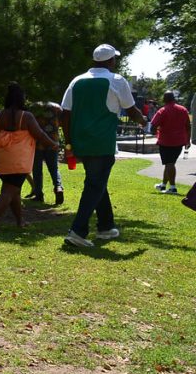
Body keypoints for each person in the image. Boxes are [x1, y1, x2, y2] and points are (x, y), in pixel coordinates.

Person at [60, 43, 146, 248]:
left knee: (97, 182)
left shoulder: (77, 81)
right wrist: (143, 121)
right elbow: (131, 110)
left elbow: (65, 114)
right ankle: (78, 231)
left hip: (81, 142)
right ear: (111, 61)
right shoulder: (116, 80)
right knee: (94, 185)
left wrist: (69, 142)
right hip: (101, 143)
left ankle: (106, 227)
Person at [0, 84, 58, 231]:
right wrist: (53, 144)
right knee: (8, 191)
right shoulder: (26, 116)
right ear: (21, 99)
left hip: (0, 158)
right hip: (18, 160)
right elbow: (40, 134)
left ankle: (20, 221)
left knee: (14, 190)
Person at [149, 91, 191, 194]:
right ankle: (163, 185)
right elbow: (188, 126)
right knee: (169, 163)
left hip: (166, 141)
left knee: (169, 163)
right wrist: (188, 140)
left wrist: (154, 132)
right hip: (179, 141)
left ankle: (172, 187)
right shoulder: (183, 110)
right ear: (174, 99)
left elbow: (153, 125)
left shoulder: (162, 110)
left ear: (164, 99)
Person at [24, 101, 64, 205]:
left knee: (37, 169)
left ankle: (39, 195)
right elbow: (62, 123)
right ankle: (58, 187)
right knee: (54, 168)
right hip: (53, 142)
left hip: (38, 143)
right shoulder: (57, 108)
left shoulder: (33, 107)